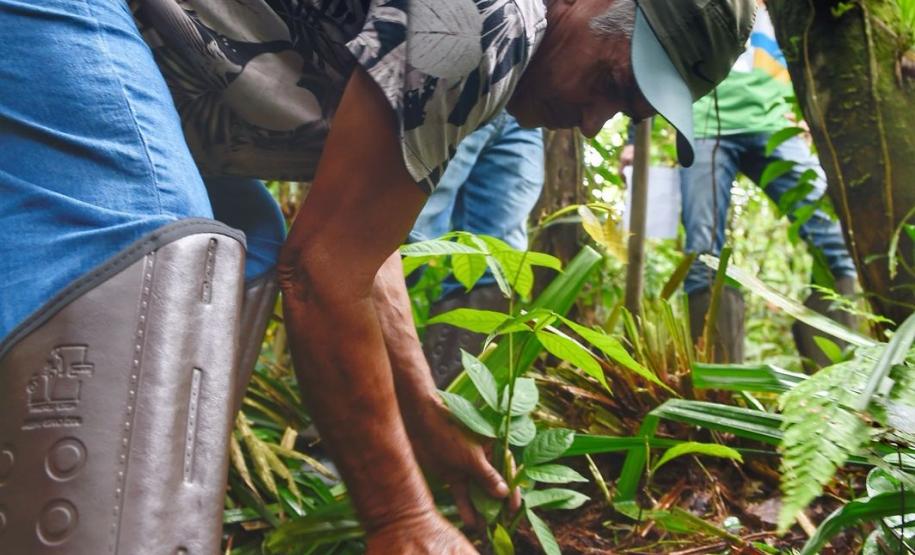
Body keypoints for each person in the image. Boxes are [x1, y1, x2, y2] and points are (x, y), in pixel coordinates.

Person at [0, 0, 753, 553]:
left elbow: (354, 249)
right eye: (615, 86)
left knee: (244, 251)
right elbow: (322, 278)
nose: (593, 123)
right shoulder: (492, 24)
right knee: (160, 250)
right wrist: (400, 516)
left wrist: (421, 405)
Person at [620, 3, 856, 365]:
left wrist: (813, 116)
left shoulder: (784, 11)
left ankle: (835, 374)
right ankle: (719, 392)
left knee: (835, 238)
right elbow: (654, 49)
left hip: (775, 125)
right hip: (705, 127)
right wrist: (633, 140)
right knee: (703, 252)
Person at [410, 110, 545, 387]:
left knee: (497, 263)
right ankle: (345, 406)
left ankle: (445, 398)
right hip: (470, 89)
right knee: (410, 238)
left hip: (527, 114)